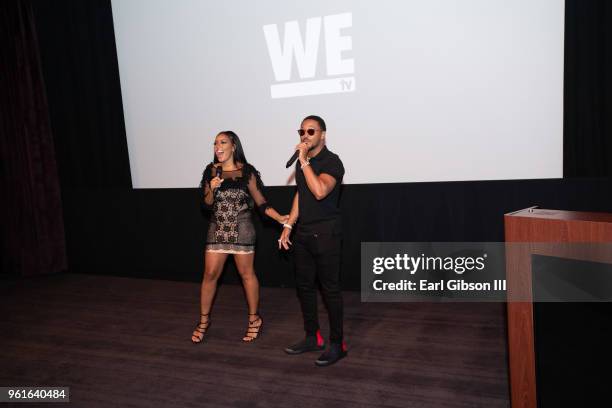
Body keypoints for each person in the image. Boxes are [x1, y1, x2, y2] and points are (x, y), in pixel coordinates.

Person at [191, 131, 287, 343]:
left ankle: (254, 320)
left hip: (242, 230)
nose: (218, 146)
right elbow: (206, 204)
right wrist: (212, 189)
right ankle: (203, 321)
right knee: (209, 275)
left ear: (233, 146)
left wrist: (279, 217)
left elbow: (261, 203)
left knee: (246, 275)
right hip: (217, 229)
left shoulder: (246, 171)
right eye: (215, 143)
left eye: (223, 142)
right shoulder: (211, 171)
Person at [278, 115, 347, 366]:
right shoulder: (302, 163)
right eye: (301, 132)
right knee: (304, 287)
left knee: (330, 291)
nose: (305, 136)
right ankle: (312, 337)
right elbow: (302, 193)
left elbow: (319, 191)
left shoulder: (332, 161)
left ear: (323, 135)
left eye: (310, 131)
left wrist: (304, 161)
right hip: (304, 233)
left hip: (327, 233)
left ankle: (338, 344)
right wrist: (288, 225)